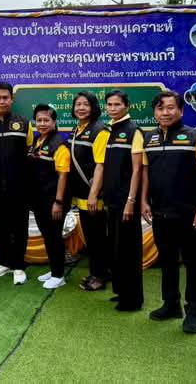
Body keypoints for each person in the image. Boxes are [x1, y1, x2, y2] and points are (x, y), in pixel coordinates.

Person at [141, 90, 196, 334]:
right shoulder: (148, 138)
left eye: (171, 108)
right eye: (160, 108)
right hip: (160, 213)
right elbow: (145, 173)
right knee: (167, 260)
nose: (165, 112)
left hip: (189, 214)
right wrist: (143, 201)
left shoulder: (195, 136)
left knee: (192, 263)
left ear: (180, 110)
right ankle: (171, 305)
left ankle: (194, 311)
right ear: (154, 112)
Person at [0, 82, 33, 285]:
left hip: (20, 186)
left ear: (12, 99)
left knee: (19, 226)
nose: (2, 101)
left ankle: (18, 265)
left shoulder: (24, 124)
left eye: (5, 97)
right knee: (0, 225)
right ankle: (3, 261)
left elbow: (30, 155)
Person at [100, 90, 144, 311]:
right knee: (116, 249)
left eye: (117, 104)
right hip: (113, 201)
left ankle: (132, 300)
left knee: (129, 252)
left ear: (127, 106)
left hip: (127, 202)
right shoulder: (110, 130)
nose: (112, 108)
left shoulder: (134, 131)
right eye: (109, 104)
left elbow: (137, 170)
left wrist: (131, 201)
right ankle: (121, 292)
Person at [68, 91, 111, 293]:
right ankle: (97, 272)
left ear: (93, 107)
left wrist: (94, 194)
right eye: (78, 104)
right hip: (81, 195)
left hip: (94, 196)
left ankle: (101, 276)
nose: (81, 108)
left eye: (86, 104)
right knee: (92, 238)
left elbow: (101, 165)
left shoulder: (100, 131)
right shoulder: (77, 129)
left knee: (98, 239)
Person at [26, 104, 70, 290]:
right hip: (39, 200)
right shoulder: (37, 141)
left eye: (46, 120)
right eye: (39, 120)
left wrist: (58, 202)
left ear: (54, 122)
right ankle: (53, 270)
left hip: (54, 201)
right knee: (47, 235)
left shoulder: (59, 144)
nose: (42, 123)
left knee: (54, 236)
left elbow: (63, 175)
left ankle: (59, 275)